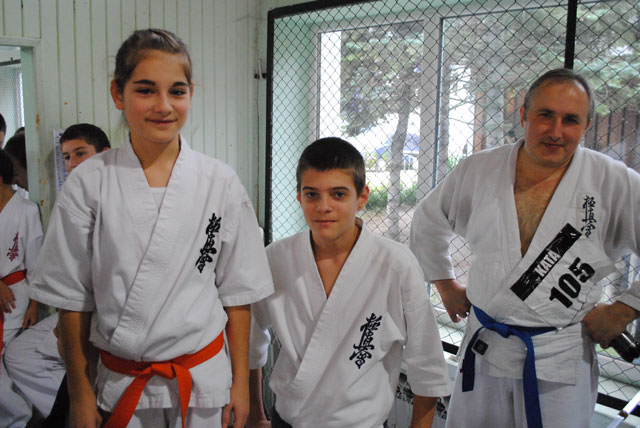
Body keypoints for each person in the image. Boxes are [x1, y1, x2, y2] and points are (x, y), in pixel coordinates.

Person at [30, 28, 273, 428]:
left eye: (177, 91)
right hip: (122, 380)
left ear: (190, 94)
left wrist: (242, 384)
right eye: (145, 90)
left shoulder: (220, 181)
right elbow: (72, 299)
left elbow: (238, 293)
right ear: (117, 93)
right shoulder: (89, 183)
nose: (164, 105)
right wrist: (79, 391)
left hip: (204, 380)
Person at [410, 68, 640, 428]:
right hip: (485, 349)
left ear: (586, 125)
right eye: (545, 115)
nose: (555, 131)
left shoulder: (613, 181)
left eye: (570, 120)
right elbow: (428, 220)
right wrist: (444, 283)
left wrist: (624, 309)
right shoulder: (479, 168)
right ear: (523, 116)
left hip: (559, 359)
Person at [248, 137, 452, 428]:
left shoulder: (396, 264)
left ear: (362, 197)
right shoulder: (276, 258)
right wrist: (256, 415)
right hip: (288, 419)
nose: (324, 207)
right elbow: (251, 342)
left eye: (338, 194)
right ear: (299, 197)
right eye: (312, 194)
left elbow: (427, 363)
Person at [4, 123, 112, 426]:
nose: (72, 164)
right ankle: (72, 406)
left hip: (107, 313)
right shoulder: (71, 202)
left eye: (80, 153)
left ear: (105, 154)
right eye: (66, 157)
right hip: (76, 307)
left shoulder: (119, 200)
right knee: (21, 353)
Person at [0, 148, 43, 428]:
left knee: (12, 361)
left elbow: (35, 260)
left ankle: (19, 419)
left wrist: (35, 305)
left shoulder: (26, 210)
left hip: (15, 298)